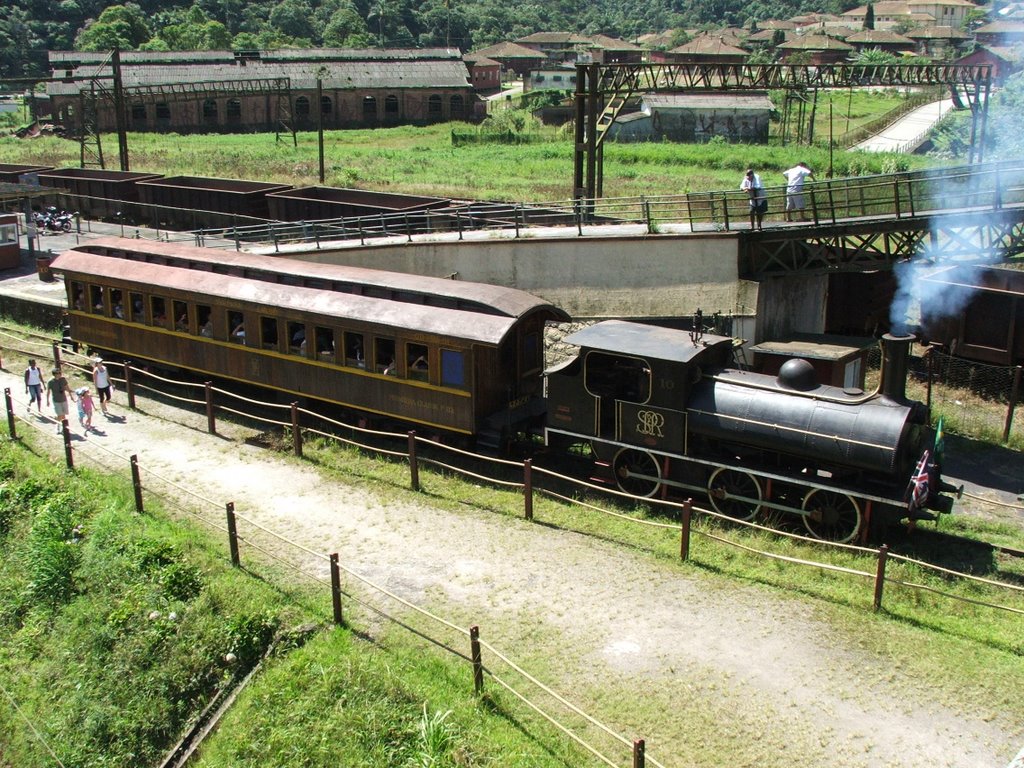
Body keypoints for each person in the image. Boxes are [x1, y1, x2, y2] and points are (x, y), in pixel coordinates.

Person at [46, 367, 76, 434]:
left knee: (63, 415)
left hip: (63, 399)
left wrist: (71, 396)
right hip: (56, 400)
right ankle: (57, 426)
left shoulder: (63, 379)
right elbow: (48, 391)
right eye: (57, 373)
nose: (59, 374)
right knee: (60, 414)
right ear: (54, 374)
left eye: (60, 373)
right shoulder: (50, 382)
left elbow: (67, 388)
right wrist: (47, 400)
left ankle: (63, 428)